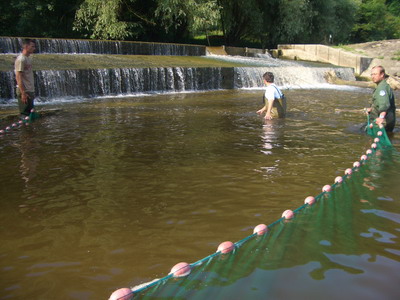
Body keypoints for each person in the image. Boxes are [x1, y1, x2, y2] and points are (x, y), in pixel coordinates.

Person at [366, 66, 396, 132]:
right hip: (388, 121)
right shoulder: (384, 85)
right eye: (372, 74)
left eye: (375, 74)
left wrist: (381, 118)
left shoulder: (381, 88)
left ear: (382, 74)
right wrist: (371, 109)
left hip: (381, 123)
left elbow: (384, 105)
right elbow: (378, 102)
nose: (373, 76)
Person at [15, 39, 36, 117]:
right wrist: (23, 92)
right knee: (25, 115)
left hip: (29, 90)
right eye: (32, 46)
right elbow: (18, 76)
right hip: (24, 91)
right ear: (26, 47)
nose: (34, 48)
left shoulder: (28, 58)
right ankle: (24, 129)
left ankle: (29, 129)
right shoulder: (21, 59)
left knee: (30, 114)